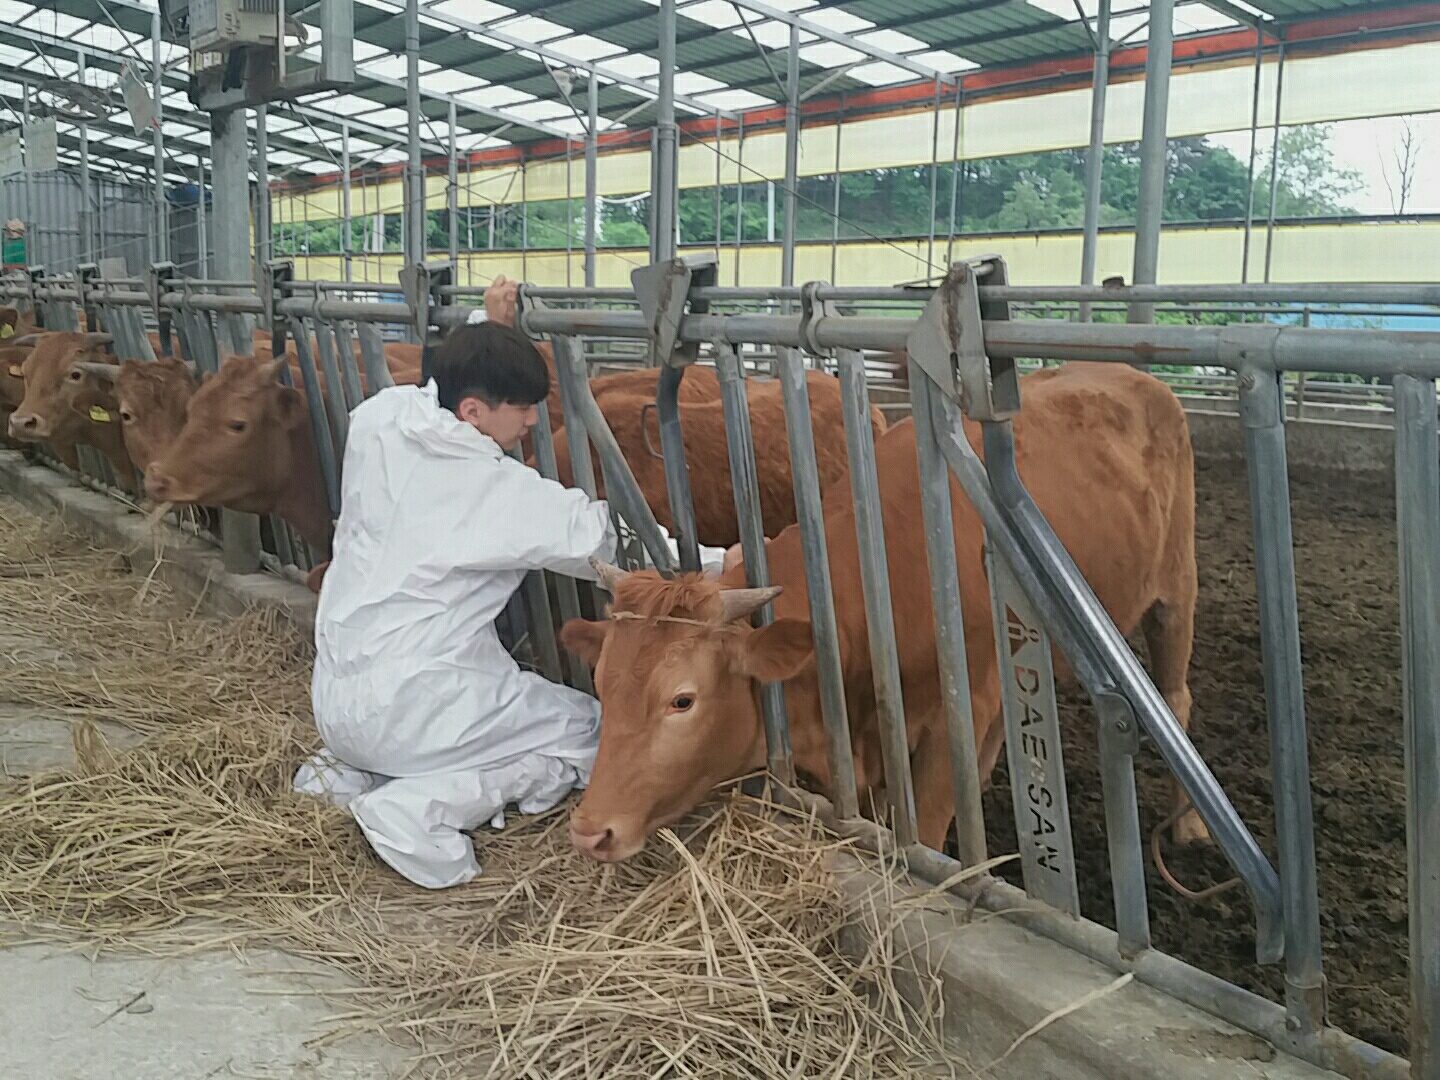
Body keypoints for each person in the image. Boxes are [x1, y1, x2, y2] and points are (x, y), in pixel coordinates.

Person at [295, 301, 722, 888]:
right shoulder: (493, 491)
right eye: (522, 411)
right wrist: (724, 564)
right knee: (585, 733)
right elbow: (609, 542)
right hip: (416, 706)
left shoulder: (379, 418)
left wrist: (490, 317)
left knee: (417, 727)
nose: (531, 424)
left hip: (336, 700)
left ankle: (346, 775)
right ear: (472, 412)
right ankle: (416, 809)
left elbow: (451, 367)